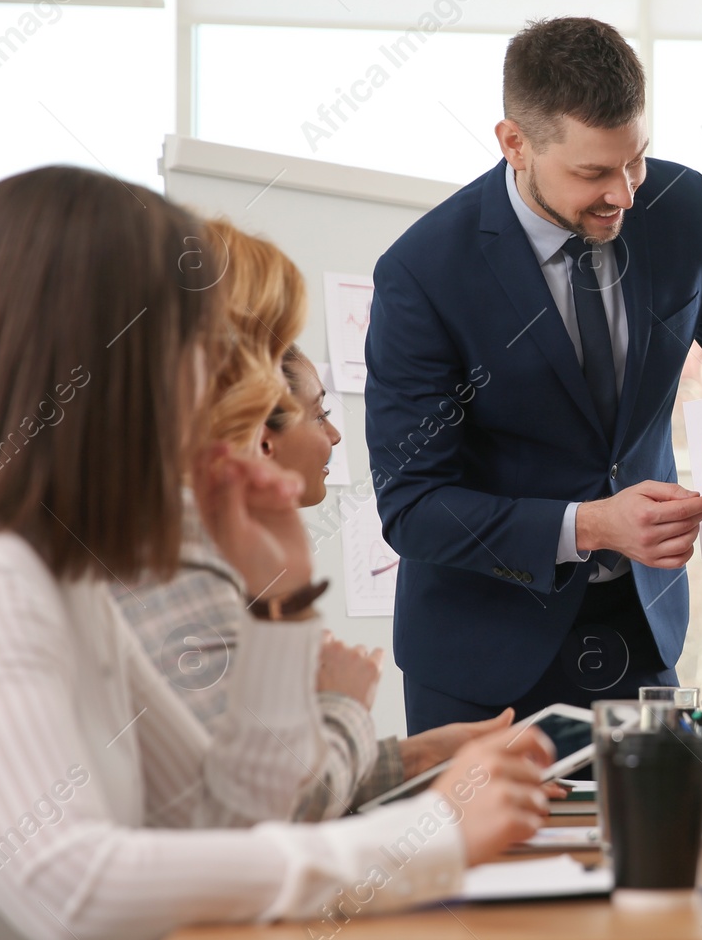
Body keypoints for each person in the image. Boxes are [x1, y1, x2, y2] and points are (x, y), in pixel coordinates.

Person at [0, 167, 554, 940]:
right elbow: (69, 885)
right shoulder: (11, 582)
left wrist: (283, 607)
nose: (222, 385)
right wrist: (429, 834)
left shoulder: (66, 582)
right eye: (193, 350)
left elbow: (233, 818)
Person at [365, 16, 702, 733]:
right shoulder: (423, 274)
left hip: (640, 632)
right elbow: (413, 506)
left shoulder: (681, 208)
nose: (625, 194)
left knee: (657, 841)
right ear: (514, 143)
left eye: (633, 160)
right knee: (494, 849)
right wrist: (594, 525)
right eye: (593, 173)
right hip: (482, 660)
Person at [116, 230, 520, 819]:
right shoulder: (186, 566)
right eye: (321, 414)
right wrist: (346, 707)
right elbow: (270, 810)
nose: (334, 436)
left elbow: (266, 784)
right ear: (261, 436)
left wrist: (419, 757)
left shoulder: (217, 556)